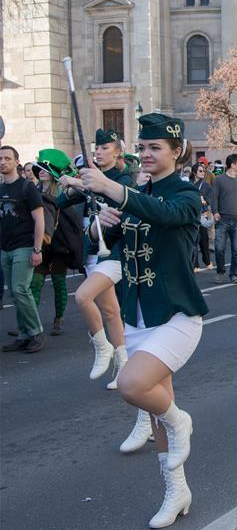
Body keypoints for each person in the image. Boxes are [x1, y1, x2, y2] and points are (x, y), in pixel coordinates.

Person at [79, 112, 208, 528]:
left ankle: (181, 419)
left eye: (156, 147)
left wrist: (112, 189)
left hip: (176, 315)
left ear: (176, 151)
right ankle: (177, 490)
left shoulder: (185, 194)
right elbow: (104, 245)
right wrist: (100, 226)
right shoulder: (135, 194)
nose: (147, 154)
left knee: (133, 385)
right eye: (143, 147)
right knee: (156, 411)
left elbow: (163, 214)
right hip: (137, 316)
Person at [57, 130, 133, 384]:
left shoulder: (122, 178)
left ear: (117, 152)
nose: (99, 152)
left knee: (82, 296)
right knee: (110, 311)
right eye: (96, 148)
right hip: (94, 252)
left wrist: (82, 182)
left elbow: (118, 197)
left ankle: (102, 346)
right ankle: (124, 366)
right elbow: (60, 202)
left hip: (116, 252)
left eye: (105, 148)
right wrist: (73, 185)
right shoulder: (91, 177)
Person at [30, 150, 83, 336]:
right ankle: (31, 323)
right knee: (35, 284)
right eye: (39, 168)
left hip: (59, 246)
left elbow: (71, 221)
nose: (41, 171)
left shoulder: (63, 193)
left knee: (59, 283)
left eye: (45, 169)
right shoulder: (33, 191)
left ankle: (58, 319)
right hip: (41, 246)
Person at [1, 145, 46, 353]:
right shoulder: (1, 188)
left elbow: (39, 220)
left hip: (25, 246)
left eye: (7, 158)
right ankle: (24, 334)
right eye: (0, 159)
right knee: (14, 292)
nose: (3, 162)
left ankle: (36, 332)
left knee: (20, 289)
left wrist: (37, 249)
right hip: (5, 248)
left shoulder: (27, 187)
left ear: (17, 162)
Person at [211, 154, 237, 284]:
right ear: (233, 165)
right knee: (219, 248)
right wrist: (215, 211)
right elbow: (214, 197)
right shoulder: (219, 180)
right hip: (222, 220)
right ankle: (220, 272)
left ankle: (234, 274)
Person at [192, 162, 213, 270]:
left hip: (202, 215)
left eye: (204, 171)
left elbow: (210, 199)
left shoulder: (206, 185)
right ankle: (195, 264)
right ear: (194, 172)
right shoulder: (188, 184)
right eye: (200, 171)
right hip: (191, 215)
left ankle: (207, 260)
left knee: (204, 240)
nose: (203, 173)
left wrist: (203, 200)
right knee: (193, 241)